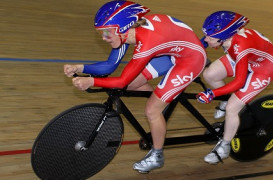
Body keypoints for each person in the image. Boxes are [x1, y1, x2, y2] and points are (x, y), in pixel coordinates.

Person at [67, 0, 207, 173]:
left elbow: (121, 81)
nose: (104, 38)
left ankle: (157, 155)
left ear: (123, 28)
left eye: (106, 33)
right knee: (133, 85)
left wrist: (91, 81)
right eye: (101, 33)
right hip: (172, 52)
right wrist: (81, 68)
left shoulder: (147, 41)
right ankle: (163, 100)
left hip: (190, 60)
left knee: (151, 110)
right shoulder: (127, 32)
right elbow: (111, 65)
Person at [197, 11, 273, 164]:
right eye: (206, 34)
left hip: (263, 68)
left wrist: (212, 94)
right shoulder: (227, 36)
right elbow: (203, 43)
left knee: (232, 108)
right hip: (245, 57)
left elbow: (239, 82)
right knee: (209, 75)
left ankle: (225, 146)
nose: (207, 39)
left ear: (224, 36)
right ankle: (225, 101)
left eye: (210, 37)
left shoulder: (240, 46)